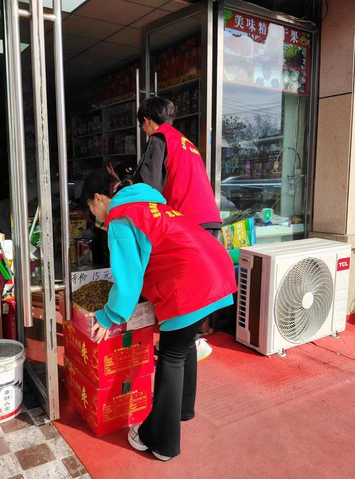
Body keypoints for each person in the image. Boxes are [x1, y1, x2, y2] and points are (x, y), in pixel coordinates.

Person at [82, 167, 237, 461]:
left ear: (99, 198)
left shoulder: (120, 217)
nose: (94, 215)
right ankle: (182, 409)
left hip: (191, 281)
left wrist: (108, 315)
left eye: (91, 207)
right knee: (184, 345)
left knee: (171, 356)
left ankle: (160, 441)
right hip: (216, 267)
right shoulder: (151, 204)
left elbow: (128, 280)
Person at [134, 97, 222, 237]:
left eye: (141, 126)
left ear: (147, 120)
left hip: (187, 221)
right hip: (211, 220)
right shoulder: (186, 143)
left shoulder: (160, 138)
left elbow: (148, 186)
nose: (144, 130)